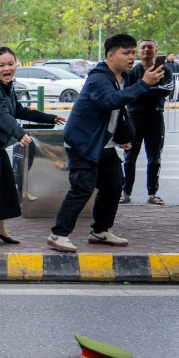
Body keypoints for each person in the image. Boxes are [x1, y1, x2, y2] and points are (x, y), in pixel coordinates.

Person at [47, 34, 164, 253]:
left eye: (132, 53)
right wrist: (144, 84)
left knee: (113, 186)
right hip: (84, 143)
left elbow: (117, 113)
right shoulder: (99, 78)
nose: (131, 58)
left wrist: (124, 138)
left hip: (104, 143)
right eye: (126, 53)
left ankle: (100, 231)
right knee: (82, 188)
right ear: (110, 55)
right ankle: (58, 234)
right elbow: (111, 101)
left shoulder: (119, 77)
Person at [0, 47, 64, 252]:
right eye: (2, 65)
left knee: (4, 189)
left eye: (10, 64)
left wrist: (50, 118)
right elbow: (1, 116)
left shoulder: (5, 86)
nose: (7, 69)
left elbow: (17, 110)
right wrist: (19, 134)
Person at [121, 39, 173, 206]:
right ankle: (126, 192)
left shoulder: (165, 70)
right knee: (129, 158)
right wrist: (150, 89)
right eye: (143, 47)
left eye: (150, 47)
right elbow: (128, 93)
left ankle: (152, 193)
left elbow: (166, 90)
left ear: (155, 51)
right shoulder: (131, 72)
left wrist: (141, 89)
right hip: (134, 119)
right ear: (138, 52)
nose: (146, 50)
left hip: (155, 119)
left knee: (154, 158)